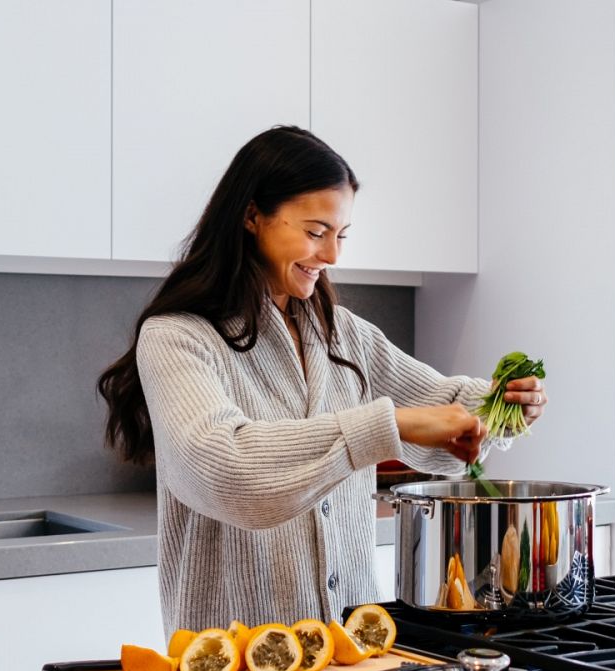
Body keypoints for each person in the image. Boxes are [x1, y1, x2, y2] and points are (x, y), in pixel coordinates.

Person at [98, 126, 547, 635]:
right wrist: (386, 426)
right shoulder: (178, 338)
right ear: (251, 217)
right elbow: (225, 469)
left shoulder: (343, 334)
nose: (332, 255)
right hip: (233, 661)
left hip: (354, 648)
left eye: (341, 235)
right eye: (315, 232)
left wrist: (502, 406)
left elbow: (441, 406)